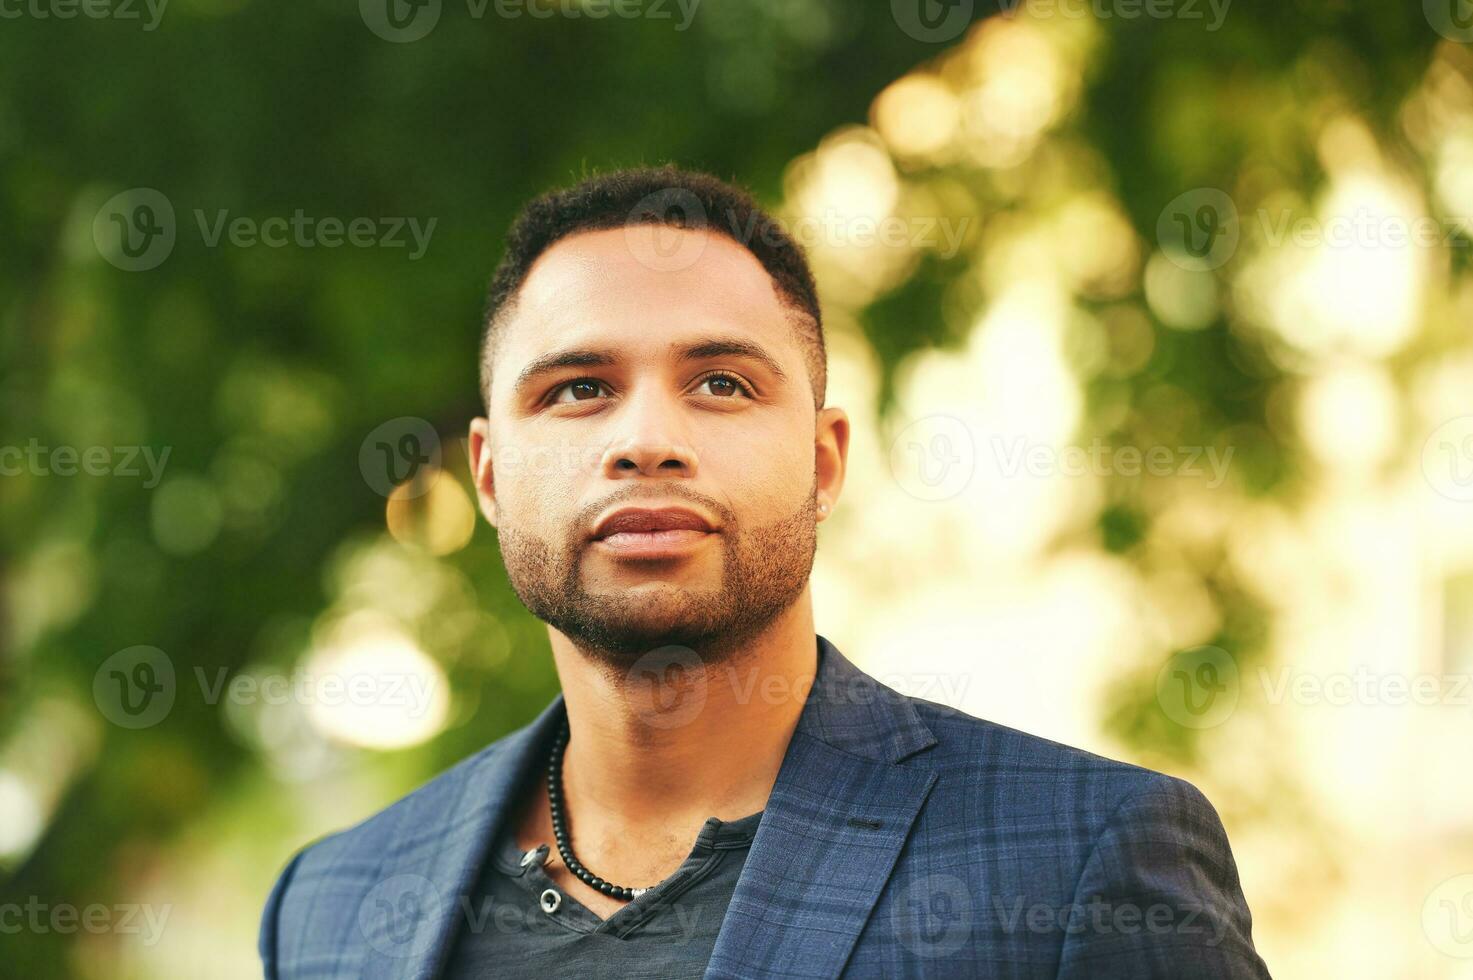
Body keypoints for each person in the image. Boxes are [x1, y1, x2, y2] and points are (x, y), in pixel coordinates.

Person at [259, 166, 1272, 978]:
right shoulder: (332, 904)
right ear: (488, 475)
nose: (646, 438)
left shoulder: (1082, 856)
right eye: (578, 388)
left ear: (824, 461)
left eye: (720, 383)